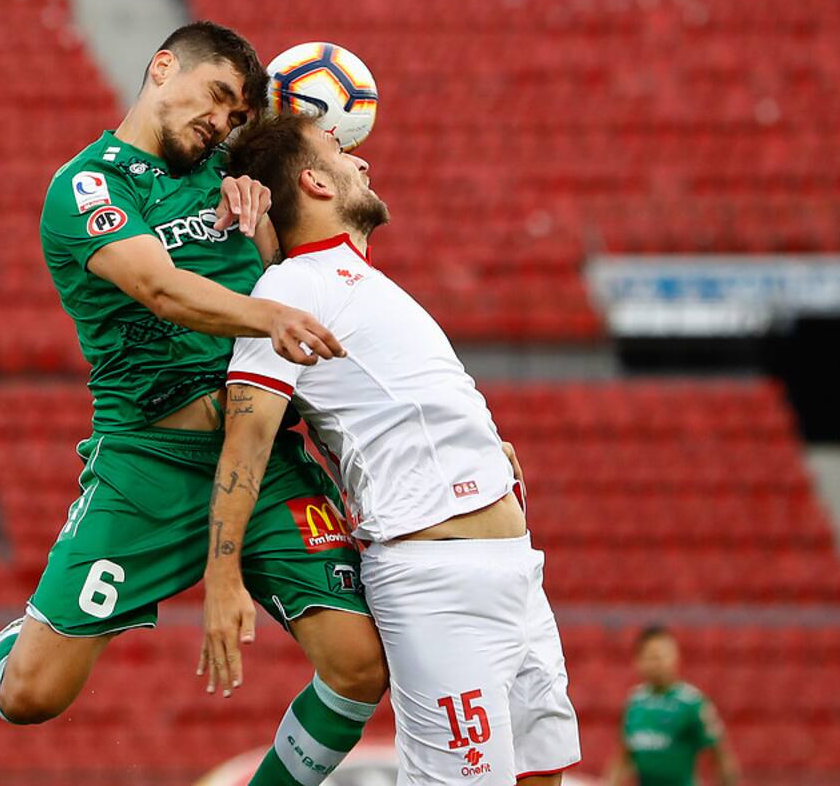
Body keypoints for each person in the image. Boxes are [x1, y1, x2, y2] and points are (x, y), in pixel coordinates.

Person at [0, 22, 391, 786]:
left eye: (240, 114)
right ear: (163, 67)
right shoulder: (88, 187)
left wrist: (267, 214)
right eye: (216, 98)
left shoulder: (235, 175)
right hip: (147, 463)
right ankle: (0, 661)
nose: (223, 122)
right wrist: (268, 317)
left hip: (263, 457)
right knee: (38, 695)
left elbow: (327, 250)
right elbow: (158, 287)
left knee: (360, 667)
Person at [196, 113, 581, 785]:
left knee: (541, 777)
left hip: (516, 569)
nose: (363, 163)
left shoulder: (366, 284)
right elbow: (246, 437)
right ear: (312, 182)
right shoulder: (288, 290)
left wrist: (487, 456)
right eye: (339, 153)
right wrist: (223, 576)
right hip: (436, 581)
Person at [604, 626, 740, 786]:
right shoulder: (634, 702)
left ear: (676, 657)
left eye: (661, 657)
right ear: (638, 661)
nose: (657, 664)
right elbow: (624, 756)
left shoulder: (692, 703)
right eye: (650, 657)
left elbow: (719, 754)